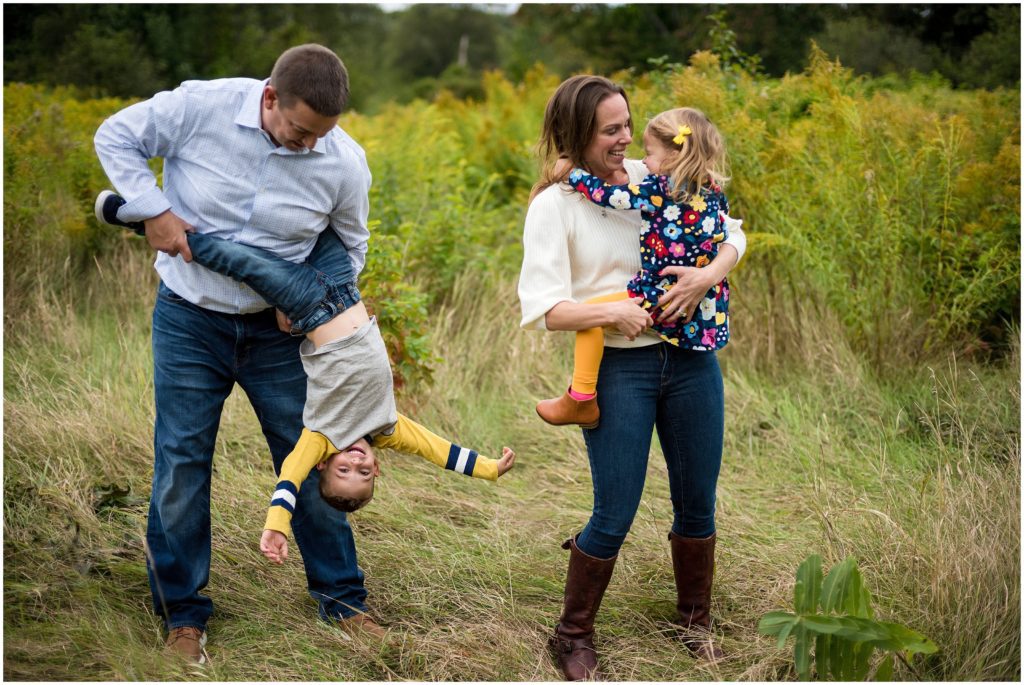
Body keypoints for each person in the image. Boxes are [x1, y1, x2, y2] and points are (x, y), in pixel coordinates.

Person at [93, 43, 380, 664]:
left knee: (313, 452)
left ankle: (343, 601)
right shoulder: (202, 107)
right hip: (190, 319)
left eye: (321, 135)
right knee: (181, 461)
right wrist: (155, 209)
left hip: (279, 336)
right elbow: (115, 136)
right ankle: (183, 618)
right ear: (270, 97)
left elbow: (352, 246)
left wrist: (308, 305)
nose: (308, 146)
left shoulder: (343, 162)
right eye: (300, 130)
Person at [95, 192, 517, 567]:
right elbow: (438, 451)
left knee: (241, 258)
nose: (356, 462)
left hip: (310, 303)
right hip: (343, 286)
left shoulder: (319, 438)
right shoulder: (387, 427)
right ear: (378, 469)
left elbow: (289, 482)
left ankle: (137, 218)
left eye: (344, 469)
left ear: (324, 463)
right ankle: (145, 218)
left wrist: (276, 526)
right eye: (363, 472)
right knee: (304, 214)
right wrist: (488, 469)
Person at [518, 75, 747, 680]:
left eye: (628, 124)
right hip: (621, 367)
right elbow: (546, 310)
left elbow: (732, 229)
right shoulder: (555, 205)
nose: (625, 139)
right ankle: (571, 636)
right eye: (611, 129)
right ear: (577, 135)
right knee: (614, 509)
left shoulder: (657, 173)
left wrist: (705, 277)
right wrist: (610, 312)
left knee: (697, 500)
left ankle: (694, 623)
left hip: (692, 360)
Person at [535, 106, 740, 429]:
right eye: (613, 130)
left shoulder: (658, 189)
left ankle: (581, 397)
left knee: (591, 314)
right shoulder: (712, 192)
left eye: (650, 153)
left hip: (659, 300)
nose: (643, 160)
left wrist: (571, 174)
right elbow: (729, 231)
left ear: (672, 158)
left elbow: (608, 196)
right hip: (703, 312)